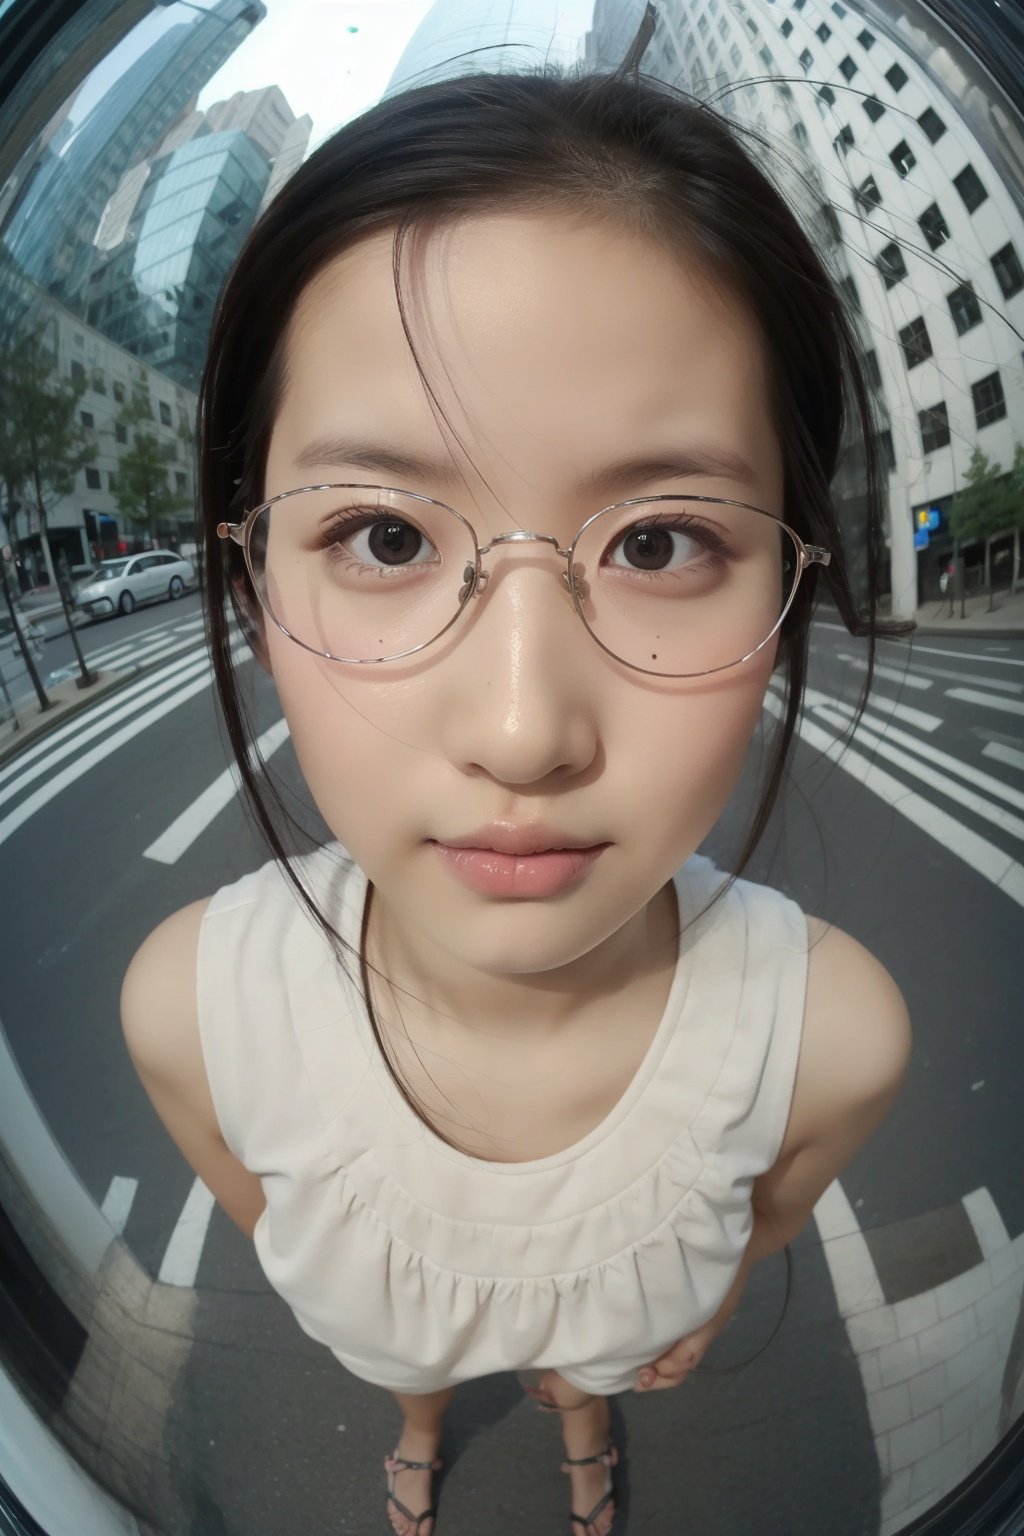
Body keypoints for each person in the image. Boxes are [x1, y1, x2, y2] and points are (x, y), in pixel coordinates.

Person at [120, 65, 912, 1536]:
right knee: (409, 1359)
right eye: (381, 532)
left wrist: (714, 1287)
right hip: (391, 1326)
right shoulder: (189, 1011)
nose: (521, 729)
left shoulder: (837, 1040)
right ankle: (422, 1421)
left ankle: (582, 1436)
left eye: (665, 540)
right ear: (253, 580)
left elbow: (769, 1211)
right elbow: (267, 1210)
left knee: (587, 1366)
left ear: (792, 581)